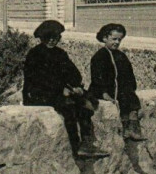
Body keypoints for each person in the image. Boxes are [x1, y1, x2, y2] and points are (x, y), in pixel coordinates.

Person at [23, 20, 109, 158]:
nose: (52, 40)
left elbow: (73, 72)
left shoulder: (60, 53)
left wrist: (76, 86)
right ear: (42, 38)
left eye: (55, 37)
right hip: (39, 93)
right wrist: (60, 89)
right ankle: (76, 145)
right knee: (69, 107)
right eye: (48, 37)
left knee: (86, 103)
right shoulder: (35, 54)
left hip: (60, 91)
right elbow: (38, 80)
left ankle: (87, 142)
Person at [89, 23, 146, 142]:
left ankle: (131, 127)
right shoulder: (99, 56)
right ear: (105, 38)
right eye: (114, 39)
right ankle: (126, 127)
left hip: (119, 89)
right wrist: (104, 93)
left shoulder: (121, 56)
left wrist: (131, 89)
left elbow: (129, 75)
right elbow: (96, 78)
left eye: (119, 40)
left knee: (130, 100)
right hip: (103, 90)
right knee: (121, 100)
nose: (117, 42)